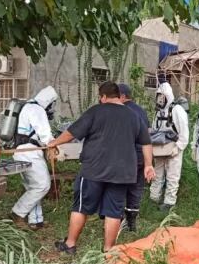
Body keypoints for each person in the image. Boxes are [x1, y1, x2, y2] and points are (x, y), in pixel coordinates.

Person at [47, 82, 155, 254]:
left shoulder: (96, 111)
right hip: (122, 173)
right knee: (114, 211)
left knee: (81, 206)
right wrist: (148, 165)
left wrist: (54, 142)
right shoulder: (134, 115)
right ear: (119, 96)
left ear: (103, 96)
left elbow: (72, 132)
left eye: (100, 97)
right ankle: (108, 249)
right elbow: (146, 142)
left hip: (93, 169)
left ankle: (70, 244)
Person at [10, 86, 59, 230]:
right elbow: (45, 135)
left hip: (20, 151)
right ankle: (17, 213)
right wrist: (54, 145)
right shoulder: (37, 109)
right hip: (30, 152)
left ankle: (36, 221)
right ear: (48, 101)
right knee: (42, 185)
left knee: (32, 187)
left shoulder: (27, 106)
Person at [149, 82, 189, 211]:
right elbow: (155, 129)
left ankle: (169, 202)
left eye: (162, 96)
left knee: (172, 175)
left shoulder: (177, 110)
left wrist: (178, 147)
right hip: (160, 147)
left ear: (167, 96)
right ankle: (154, 197)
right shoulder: (159, 112)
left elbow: (184, 132)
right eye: (158, 96)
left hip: (173, 148)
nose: (160, 99)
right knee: (157, 173)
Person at [118, 83, 149, 232]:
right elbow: (146, 135)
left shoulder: (120, 111)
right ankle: (132, 223)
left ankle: (117, 221)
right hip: (141, 155)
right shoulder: (141, 111)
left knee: (119, 188)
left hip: (125, 156)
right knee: (136, 188)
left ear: (123, 97)